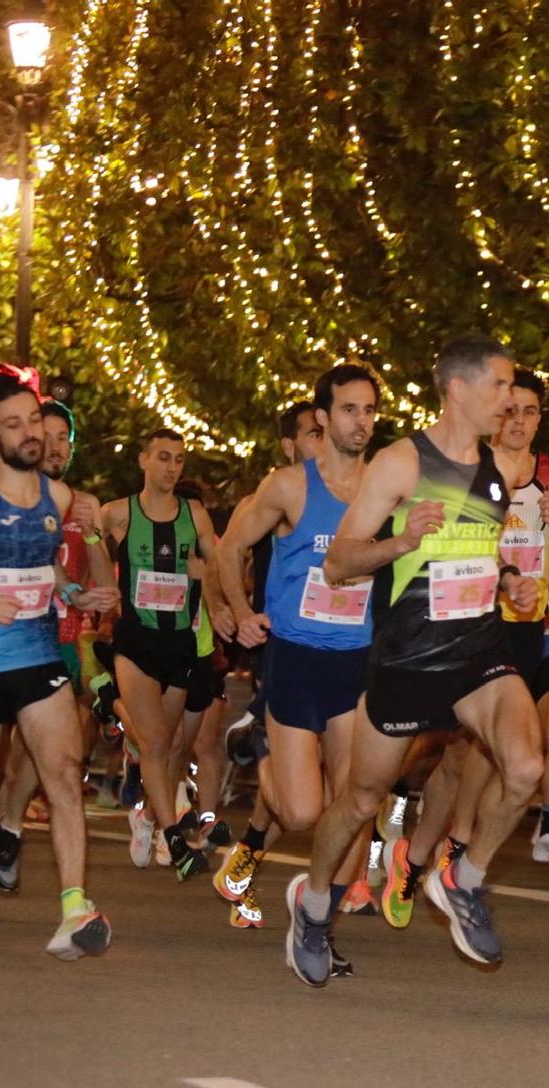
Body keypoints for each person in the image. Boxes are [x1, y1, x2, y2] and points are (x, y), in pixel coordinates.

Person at [293, 335, 546, 987]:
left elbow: (474, 555)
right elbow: (339, 561)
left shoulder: (503, 470)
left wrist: (508, 580)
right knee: (360, 798)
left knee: (526, 765)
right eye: (500, 387)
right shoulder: (402, 464)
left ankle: (464, 878)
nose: (511, 402)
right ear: (457, 389)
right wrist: (402, 537)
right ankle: (314, 906)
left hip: (479, 649)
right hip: (409, 656)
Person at [401, 369, 549, 885]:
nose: (518, 421)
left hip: (537, 631)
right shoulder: (468, 471)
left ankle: (468, 846)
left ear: (540, 418)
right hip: (474, 625)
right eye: (509, 409)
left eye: (530, 411)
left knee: (524, 744)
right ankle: (424, 846)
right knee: (463, 752)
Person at [216, 365, 380, 966]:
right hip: (294, 657)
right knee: (305, 811)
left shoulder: (383, 489)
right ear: (322, 417)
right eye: (348, 410)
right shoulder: (289, 486)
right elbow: (230, 546)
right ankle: (264, 752)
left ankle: (316, 923)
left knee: (358, 802)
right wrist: (239, 609)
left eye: (368, 411)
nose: (360, 422)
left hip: (356, 662)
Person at [0, 369, 112, 959]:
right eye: (13, 424)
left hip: (39, 653)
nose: (29, 434)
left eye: (34, 422)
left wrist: (75, 596)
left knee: (65, 774)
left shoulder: (59, 499)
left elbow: (50, 569)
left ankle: (75, 908)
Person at [207, 400, 325, 925]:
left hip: (343, 647)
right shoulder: (273, 497)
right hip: (284, 647)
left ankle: (248, 858)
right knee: (308, 784)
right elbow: (223, 555)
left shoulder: (358, 495)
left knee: (315, 776)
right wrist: (228, 608)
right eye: (312, 433)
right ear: (289, 445)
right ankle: (333, 892)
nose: (323, 441)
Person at [99, 430, 232, 877]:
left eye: (178, 460)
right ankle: (176, 840)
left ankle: (147, 815)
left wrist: (213, 586)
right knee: (156, 742)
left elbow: (219, 561)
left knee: (172, 746)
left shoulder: (194, 515)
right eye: (162, 458)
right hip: (136, 642)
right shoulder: (116, 513)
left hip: (180, 644)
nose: (171, 467)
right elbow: (91, 560)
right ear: (143, 460)